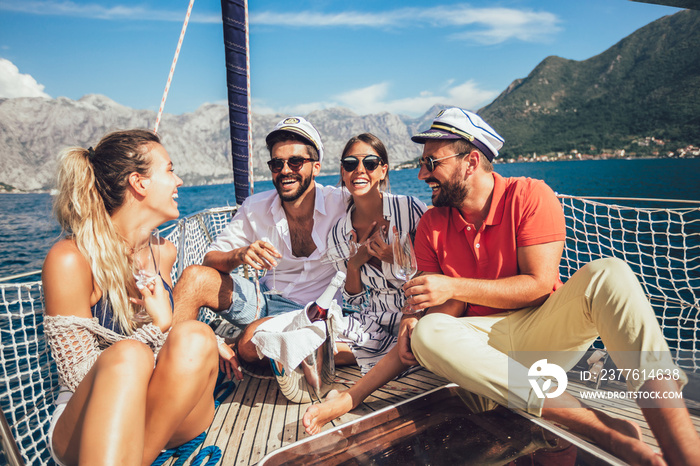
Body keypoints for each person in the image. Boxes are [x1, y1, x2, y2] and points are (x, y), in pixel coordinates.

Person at [399, 107, 700, 466]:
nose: (421, 174)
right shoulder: (431, 224)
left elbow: (539, 286)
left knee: (610, 273)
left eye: (432, 163)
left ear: (471, 161)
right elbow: (446, 311)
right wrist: (415, 317)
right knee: (429, 332)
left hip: (540, 332)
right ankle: (598, 427)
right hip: (478, 344)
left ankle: (683, 448)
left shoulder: (530, 195)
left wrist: (450, 285)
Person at [42, 130, 219, 466]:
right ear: (139, 183)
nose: (178, 180)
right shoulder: (71, 260)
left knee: (196, 336)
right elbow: (77, 377)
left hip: (161, 415)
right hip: (89, 426)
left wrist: (194, 341)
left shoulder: (163, 252)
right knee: (129, 357)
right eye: (169, 170)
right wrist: (159, 326)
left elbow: (174, 342)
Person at [172, 116, 346, 380]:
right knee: (194, 279)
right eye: (277, 163)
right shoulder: (255, 207)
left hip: (315, 312)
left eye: (295, 161)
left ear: (316, 166)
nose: (285, 170)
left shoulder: (342, 204)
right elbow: (210, 260)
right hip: (264, 299)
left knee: (250, 343)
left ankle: (242, 347)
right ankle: (173, 372)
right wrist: (239, 255)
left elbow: (388, 205)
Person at [302, 133, 427, 434]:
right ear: (343, 173)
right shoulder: (337, 234)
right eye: (350, 164)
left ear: (383, 170)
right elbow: (354, 302)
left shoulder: (411, 211)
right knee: (315, 341)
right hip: (372, 317)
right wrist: (354, 264)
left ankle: (347, 396)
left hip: (416, 311)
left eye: (370, 163)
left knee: (410, 344)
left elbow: (435, 271)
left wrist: (394, 259)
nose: (359, 170)